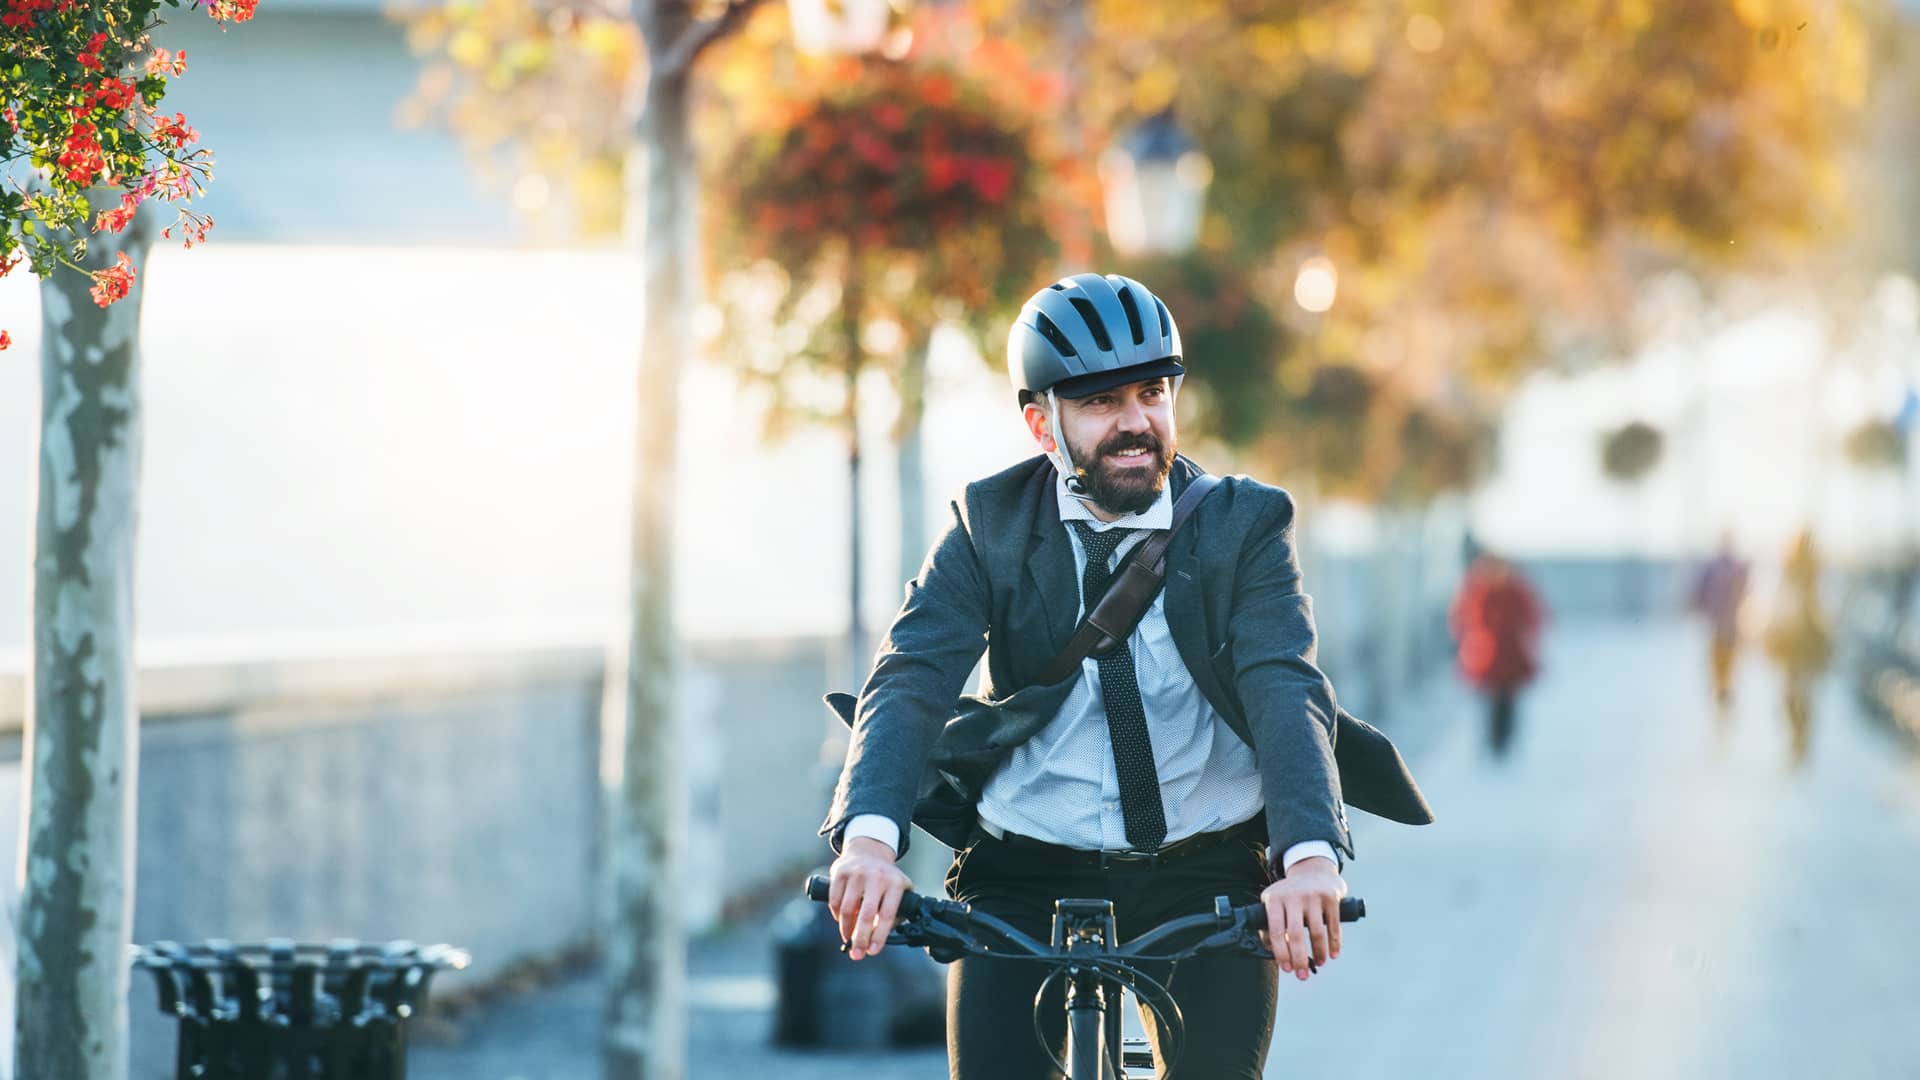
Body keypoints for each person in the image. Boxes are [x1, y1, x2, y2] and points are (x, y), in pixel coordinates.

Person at [820, 272, 1430, 1079]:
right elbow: (910, 678)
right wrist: (868, 845)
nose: (1137, 421)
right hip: (1024, 865)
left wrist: (1308, 860)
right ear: (1043, 423)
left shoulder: (1244, 524)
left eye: (1152, 392)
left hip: (1205, 867)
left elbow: (1284, 685)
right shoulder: (989, 524)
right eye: (1102, 402)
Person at [1448, 552, 1545, 758]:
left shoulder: (1516, 591)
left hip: (1510, 657)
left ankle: (1505, 741)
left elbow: (1532, 618)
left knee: (1508, 702)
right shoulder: (1477, 591)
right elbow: (1461, 618)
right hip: (1486, 656)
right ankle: (1492, 742)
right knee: (1490, 702)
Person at [1763, 527, 1831, 766]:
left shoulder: (1811, 570)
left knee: (1798, 694)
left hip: (1801, 643)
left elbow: (1819, 608)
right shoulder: (1797, 569)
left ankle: (1800, 739)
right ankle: (1799, 738)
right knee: (1796, 695)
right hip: (1797, 643)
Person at [1689, 534, 1751, 715]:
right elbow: (1745, 591)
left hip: (1718, 626)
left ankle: (1721, 697)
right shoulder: (1735, 567)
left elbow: (1698, 594)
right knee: (1726, 668)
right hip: (1729, 626)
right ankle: (1724, 697)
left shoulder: (1712, 568)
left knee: (1720, 667)